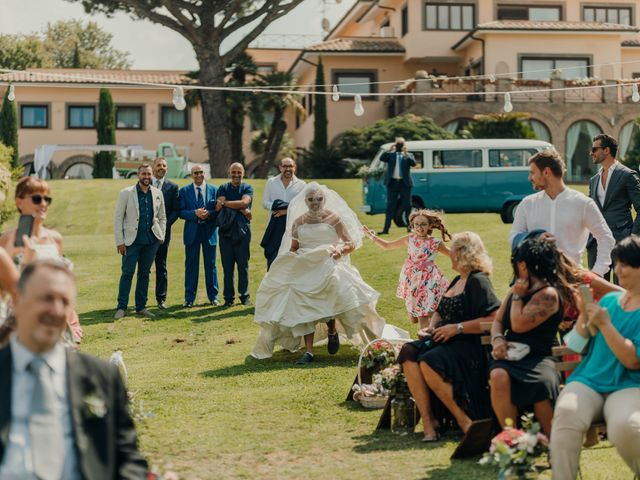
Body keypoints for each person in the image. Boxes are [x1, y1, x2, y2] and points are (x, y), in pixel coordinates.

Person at [0, 259, 148, 479]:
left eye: (65, 301)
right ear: (17, 301)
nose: (57, 311)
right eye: (47, 299)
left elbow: (128, 460)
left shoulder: (102, 377)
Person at [251, 182, 396, 365]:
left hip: (330, 262)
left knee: (340, 292)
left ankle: (335, 331)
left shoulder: (334, 219)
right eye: (311, 200)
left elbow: (350, 243)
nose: (315, 203)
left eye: (318, 199)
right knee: (302, 302)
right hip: (306, 267)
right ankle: (309, 352)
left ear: (324, 200)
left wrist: (340, 251)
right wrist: (291, 257)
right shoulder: (299, 222)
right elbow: (295, 247)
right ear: (305, 201)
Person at [550, 235, 640, 479]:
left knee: (626, 427)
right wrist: (583, 316)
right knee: (566, 414)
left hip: (630, 385)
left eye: (625, 264)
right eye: (616, 263)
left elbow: (632, 360)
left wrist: (605, 324)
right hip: (588, 380)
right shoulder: (610, 301)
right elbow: (577, 345)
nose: (617, 270)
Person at [396, 232, 500, 441]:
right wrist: (431, 326)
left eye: (452, 248)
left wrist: (458, 328)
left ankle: (463, 420)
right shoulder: (456, 280)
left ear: (461, 252)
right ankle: (428, 420)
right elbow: (440, 311)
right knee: (408, 351)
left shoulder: (478, 281)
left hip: (468, 344)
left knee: (429, 360)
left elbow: (494, 319)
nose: (448, 252)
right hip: (444, 339)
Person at [489, 239, 576, 437]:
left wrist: (519, 297)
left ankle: (554, 443)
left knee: (540, 385)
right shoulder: (517, 289)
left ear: (523, 264)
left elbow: (519, 323)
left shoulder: (548, 294)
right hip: (509, 354)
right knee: (498, 376)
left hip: (539, 357)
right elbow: (498, 322)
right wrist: (498, 340)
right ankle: (511, 440)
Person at [0, 176, 81, 344]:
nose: (43, 204)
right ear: (19, 202)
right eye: (36, 198)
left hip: (54, 320)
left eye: (47, 199)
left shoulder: (55, 239)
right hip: (18, 321)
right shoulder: (6, 240)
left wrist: (71, 321)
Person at [510, 149, 614, 277]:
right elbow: (514, 237)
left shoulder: (583, 203)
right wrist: (535, 238)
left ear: (546, 172)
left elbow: (606, 238)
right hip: (537, 281)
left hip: (572, 280)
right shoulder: (527, 204)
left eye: (532, 173)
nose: (529, 178)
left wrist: (597, 272)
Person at [364, 209, 451, 331]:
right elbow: (387, 245)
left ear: (430, 225)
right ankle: (425, 327)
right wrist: (371, 236)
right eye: (416, 224)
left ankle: (426, 342)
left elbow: (452, 254)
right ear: (412, 225)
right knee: (414, 318)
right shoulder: (410, 239)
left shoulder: (435, 243)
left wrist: (468, 251)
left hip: (429, 280)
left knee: (425, 314)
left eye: (423, 224)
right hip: (412, 280)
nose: (419, 227)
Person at [113, 164, 166, 319]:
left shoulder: (157, 193)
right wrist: (119, 241)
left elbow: (162, 217)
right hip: (131, 241)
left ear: (152, 175)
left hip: (151, 241)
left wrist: (160, 235)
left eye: (149, 174)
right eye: (143, 174)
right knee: (127, 273)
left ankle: (140, 307)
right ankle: (121, 307)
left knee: (145, 274)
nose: (146, 177)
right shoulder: (126, 193)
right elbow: (118, 218)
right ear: (138, 175)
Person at [587, 134, 640, 282]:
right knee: (597, 289)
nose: (592, 153)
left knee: (621, 290)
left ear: (607, 150)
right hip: (596, 244)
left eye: (594, 149)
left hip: (621, 242)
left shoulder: (627, 175)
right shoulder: (593, 180)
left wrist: (631, 237)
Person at [178, 165, 219, 307]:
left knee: (211, 265)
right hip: (192, 233)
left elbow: (218, 210)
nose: (199, 175)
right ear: (191, 175)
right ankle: (189, 299)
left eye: (201, 172)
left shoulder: (214, 190)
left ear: (204, 173)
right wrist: (194, 213)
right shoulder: (184, 191)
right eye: (195, 173)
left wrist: (209, 214)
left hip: (209, 232)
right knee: (191, 266)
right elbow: (181, 212)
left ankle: (213, 297)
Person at [215, 162, 254, 307]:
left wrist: (226, 204)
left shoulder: (247, 187)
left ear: (243, 173)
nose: (236, 175)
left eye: (239, 172)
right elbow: (218, 207)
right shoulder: (223, 187)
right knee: (227, 267)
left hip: (242, 232)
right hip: (225, 232)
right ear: (229, 173)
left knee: (243, 266)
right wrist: (240, 208)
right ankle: (228, 298)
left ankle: (244, 297)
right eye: (234, 172)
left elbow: (244, 203)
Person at [260, 157, 306, 270]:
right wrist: (276, 206)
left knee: (291, 259)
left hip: (293, 227)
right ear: (280, 168)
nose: (288, 169)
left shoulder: (302, 185)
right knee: (272, 256)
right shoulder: (271, 182)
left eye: (290, 166)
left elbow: (303, 206)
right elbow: (265, 203)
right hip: (274, 225)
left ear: (295, 168)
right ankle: (271, 285)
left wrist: (285, 211)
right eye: (285, 166)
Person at [152, 157, 180, 309]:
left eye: (164, 166)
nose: (161, 168)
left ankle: (161, 299)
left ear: (167, 169)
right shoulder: (145, 184)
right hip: (145, 234)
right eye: (158, 165)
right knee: (143, 267)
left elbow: (176, 210)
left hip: (163, 234)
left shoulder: (173, 187)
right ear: (153, 167)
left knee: (161, 266)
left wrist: (163, 226)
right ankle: (140, 300)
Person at [378, 137, 416, 235]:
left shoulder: (409, 155)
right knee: (390, 207)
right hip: (392, 183)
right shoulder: (391, 155)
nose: (399, 146)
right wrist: (389, 150)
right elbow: (381, 158)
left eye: (401, 144)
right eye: (398, 144)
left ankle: (410, 228)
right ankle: (386, 229)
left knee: (408, 206)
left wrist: (406, 154)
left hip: (405, 184)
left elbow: (413, 163)